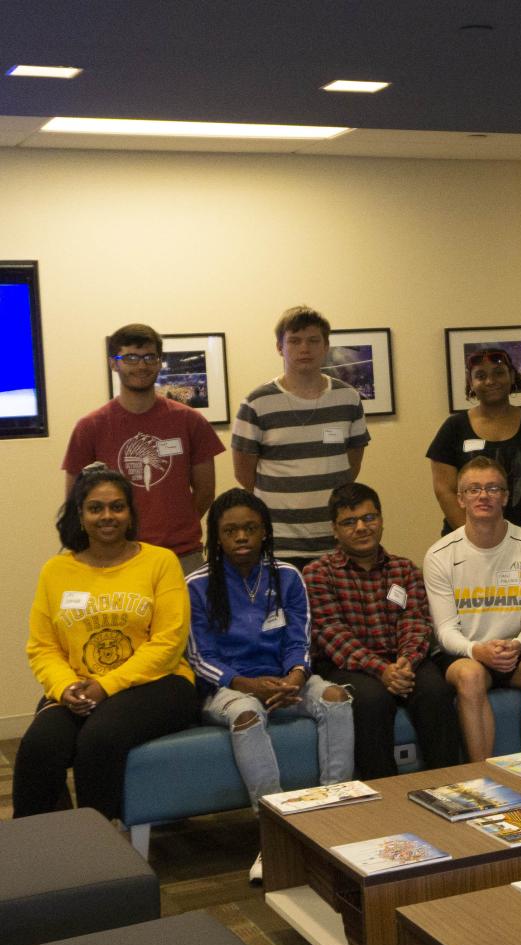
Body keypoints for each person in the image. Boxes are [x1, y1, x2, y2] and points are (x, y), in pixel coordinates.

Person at [187, 489, 355, 881]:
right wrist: (249, 686)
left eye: (250, 528)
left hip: (285, 678)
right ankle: (275, 834)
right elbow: (200, 657)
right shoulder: (197, 584)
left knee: (336, 697)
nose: (241, 537)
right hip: (227, 688)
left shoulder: (287, 576)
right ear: (217, 536)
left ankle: (335, 817)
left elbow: (300, 638)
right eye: (231, 531)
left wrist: (295, 677)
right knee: (246, 715)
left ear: (264, 531)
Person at [15, 466, 199, 819]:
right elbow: (43, 647)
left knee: (98, 739)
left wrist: (104, 686)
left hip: (159, 684)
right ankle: (31, 852)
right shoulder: (56, 571)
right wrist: (66, 686)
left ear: (130, 514)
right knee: (40, 745)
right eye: (95, 508)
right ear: (80, 516)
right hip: (80, 689)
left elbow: (168, 643)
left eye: (117, 507)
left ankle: (101, 848)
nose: (107, 516)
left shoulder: (161, 561)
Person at [304, 482, 463, 779]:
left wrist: (404, 662)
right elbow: (332, 634)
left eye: (369, 518)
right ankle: (384, 793)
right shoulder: (318, 573)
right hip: (347, 665)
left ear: (381, 519)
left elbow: (416, 621)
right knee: (372, 700)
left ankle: (448, 784)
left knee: (435, 691)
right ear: (335, 530)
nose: (362, 527)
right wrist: (382, 670)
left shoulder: (404, 569)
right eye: (349, 522)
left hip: (403, 659)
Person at [424, 455, 521, 760]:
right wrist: (477, 651)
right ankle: (481, 775)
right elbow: (444, 631)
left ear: (506, 497)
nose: (483, 496)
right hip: (466, 654)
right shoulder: (440, 555)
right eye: (473, 490)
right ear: (460, 499)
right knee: (470, 677)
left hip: (516, 650)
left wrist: (517, 645)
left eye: (493, 488)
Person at [62, 323, 223, 571]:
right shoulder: (89, 427)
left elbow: (205, 492)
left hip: (181, 556)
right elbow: (75, 500)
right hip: (114, 558)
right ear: (114, 363)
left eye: (150, 357)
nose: (141, 365)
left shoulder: (190, 421)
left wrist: (174, 527)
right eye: (130, 357)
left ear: (159, 362)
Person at [231, 306, 370, 568]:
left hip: (336, 537)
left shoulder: (348, 398)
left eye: (313, 340)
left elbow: (353, 463)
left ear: (326, 345)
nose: (304, 348)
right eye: (294, 341)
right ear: (279, 347)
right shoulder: (256, 403)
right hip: (278, 541)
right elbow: (244, 474)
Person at [426, 347, 521, 548]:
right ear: (471, 383)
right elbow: (445, 491)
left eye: (499, 373)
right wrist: (477, 541)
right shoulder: (453, 429)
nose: (491, 381)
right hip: (468, 546)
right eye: (481, 376)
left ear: (512, 377)